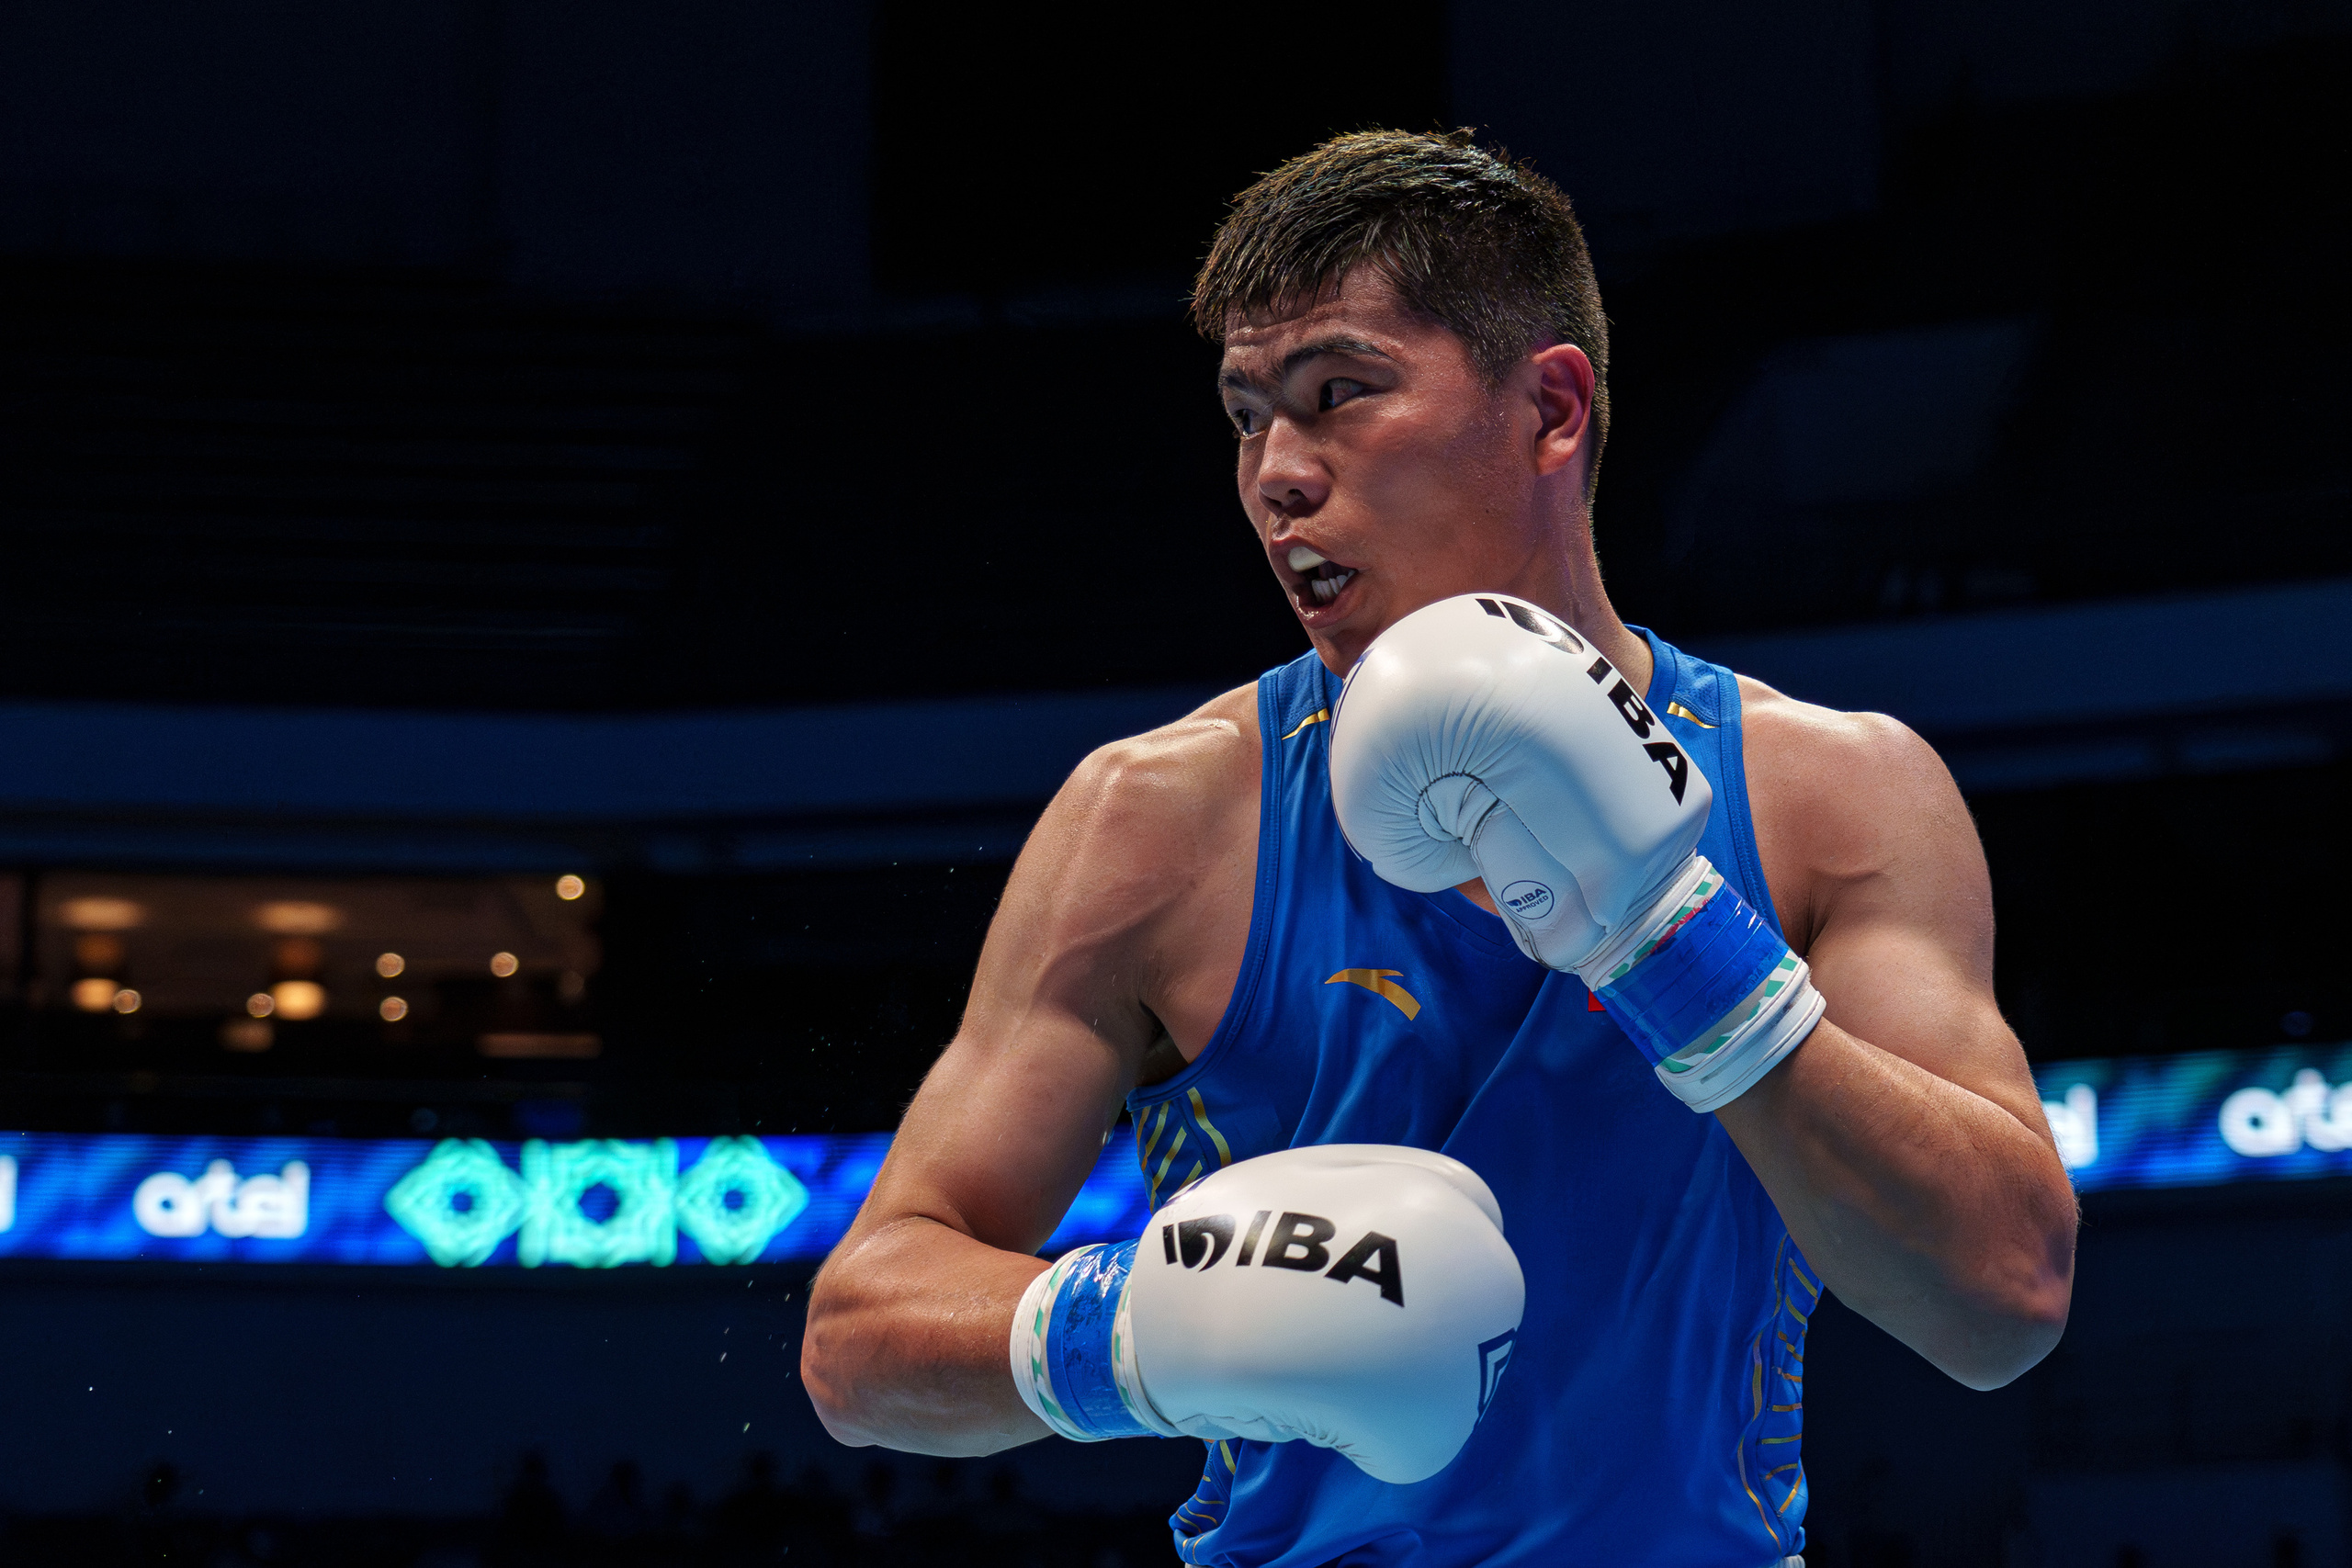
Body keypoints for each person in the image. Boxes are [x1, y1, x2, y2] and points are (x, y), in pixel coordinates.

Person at [801, 129, 2076, 1565]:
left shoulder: (1833, 797)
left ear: (1550, 407)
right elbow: (859, 1340)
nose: (1278, 474)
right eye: (1246, 413)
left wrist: (1669, 938)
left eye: (1341, 393)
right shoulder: (1156, 820)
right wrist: (1134, 1333)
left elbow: (2003, 1296)